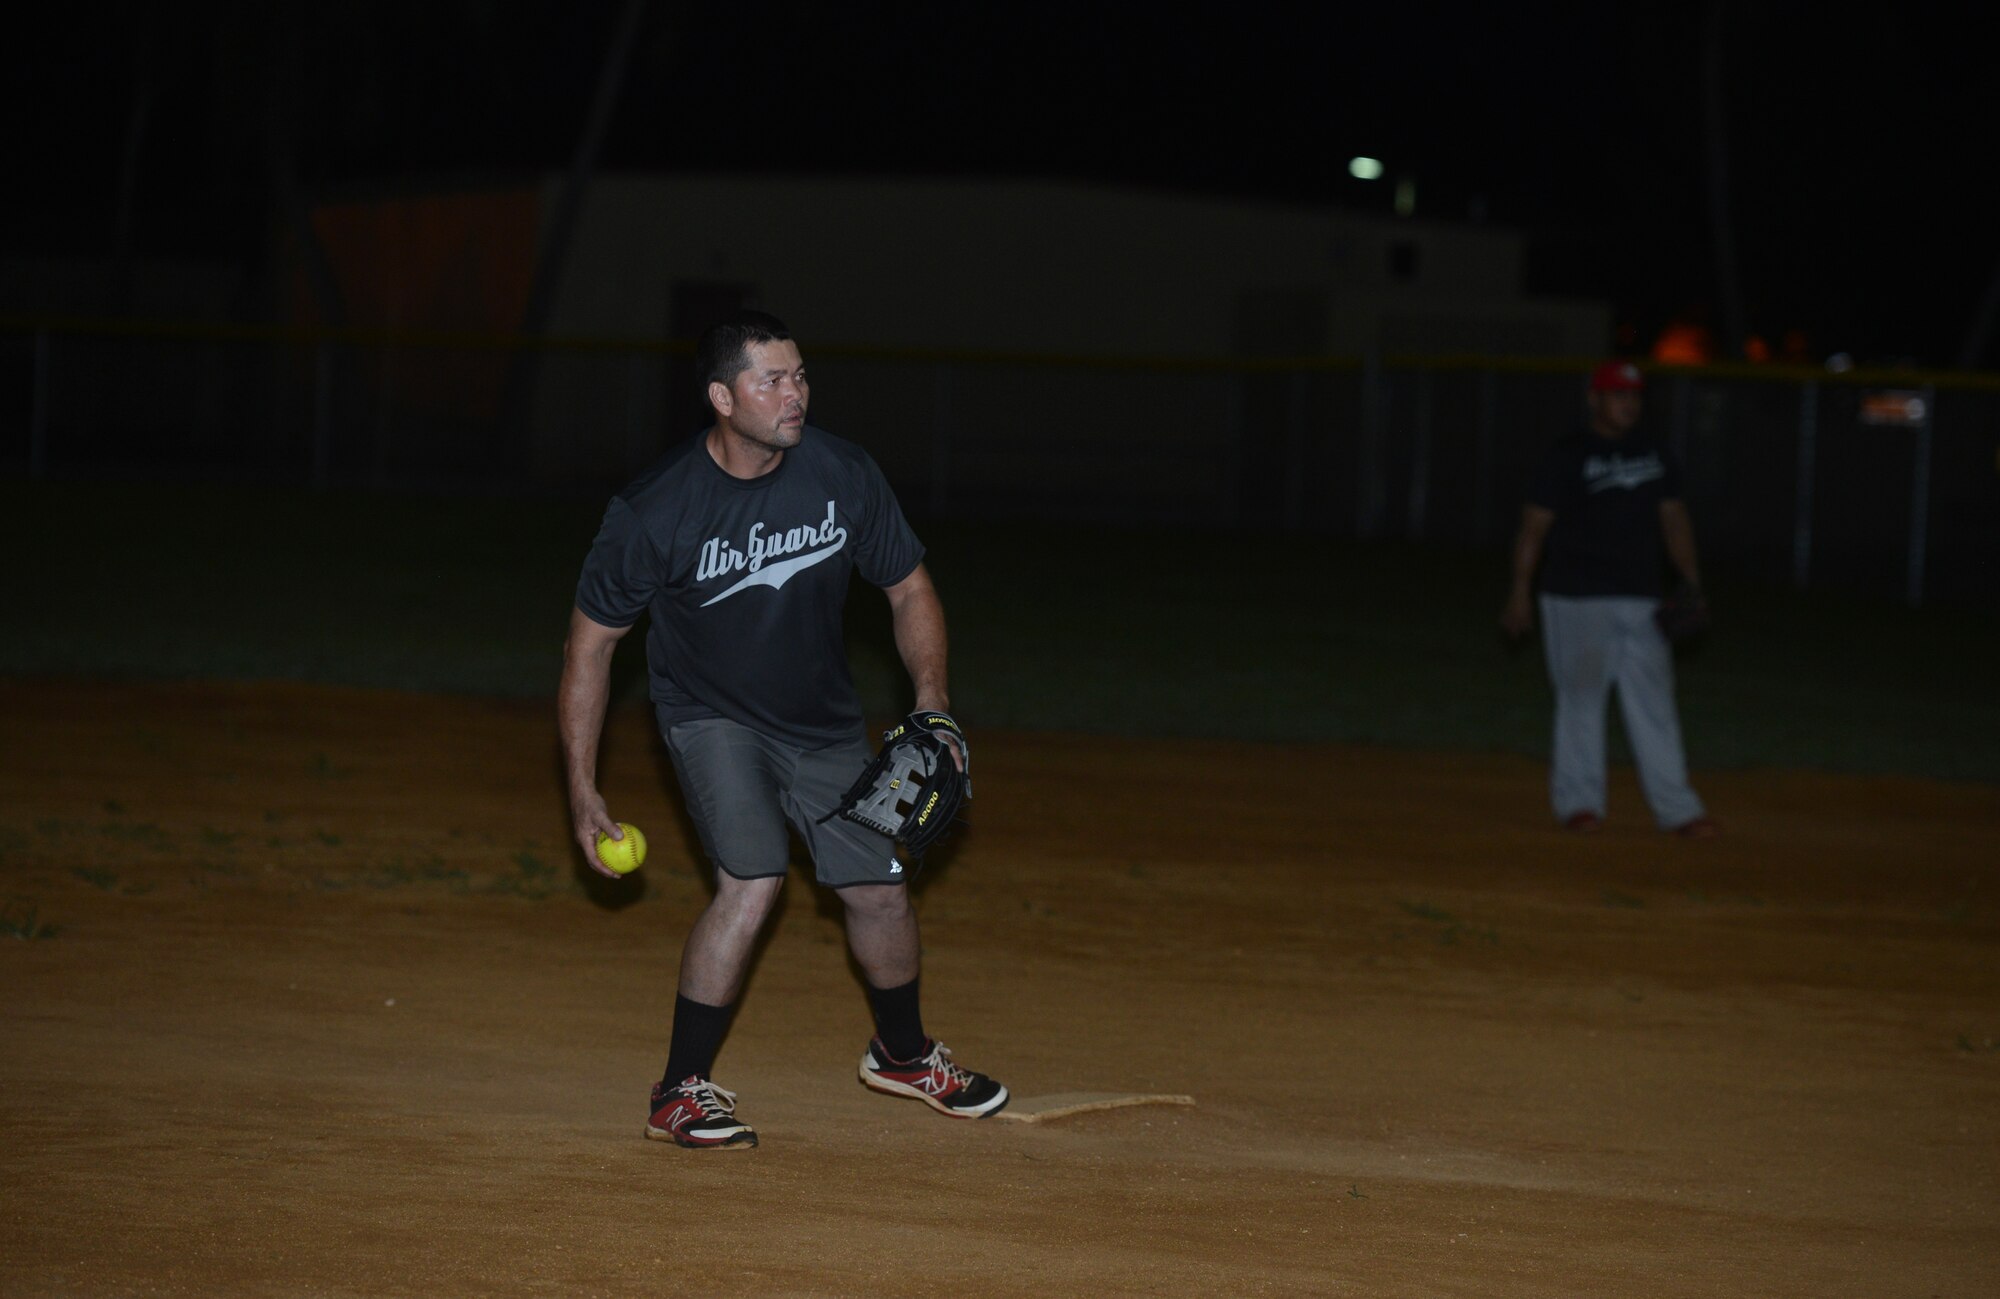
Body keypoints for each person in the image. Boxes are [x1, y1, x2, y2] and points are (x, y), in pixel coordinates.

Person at [558, 309, 1007, 1150]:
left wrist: (933, 702)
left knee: (878, 887)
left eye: (800, 374)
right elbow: (591, 649)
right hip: (710, 717)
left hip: (821, 722)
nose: (794, 393)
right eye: (772, 379)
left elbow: (909, 588)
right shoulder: (655, 510)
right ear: (723, 397)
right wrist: (582, 786)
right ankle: (679, 1090)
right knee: (753, 877)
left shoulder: (841, 473)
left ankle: (903, 1055)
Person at [1499, 359, 1716, 838]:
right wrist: (1520, 591)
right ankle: (1579, 805)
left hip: (1642, 596)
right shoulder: (1568, 454)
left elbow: (1674, 518)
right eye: (1618, 394)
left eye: (1634, 395)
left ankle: (1678, 809)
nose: (1628, 403)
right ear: (1595, 399)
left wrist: (1691, 580)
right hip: (1575, 596)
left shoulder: (1655, 451)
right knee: (1581, 699)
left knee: (1655, 701)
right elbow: (1534, 527)